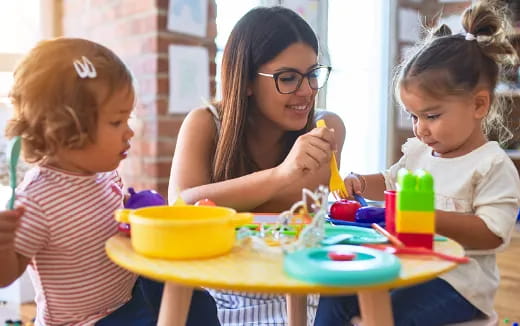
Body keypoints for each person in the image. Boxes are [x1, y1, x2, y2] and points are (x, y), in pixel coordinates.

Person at [315, 2, 520, 325]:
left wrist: (422, 217)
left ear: (479, 104)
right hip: (408, 266)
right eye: (414, 116)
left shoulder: (491, 165)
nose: (420, 128)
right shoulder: (419, 153)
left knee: (386, 314)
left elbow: (493, 234)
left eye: (432, 116)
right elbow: (389, 181)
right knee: (336, 293)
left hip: (458, 284)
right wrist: (358, 182)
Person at [0, 37, 220, 326]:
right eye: (117, 122)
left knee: (198, 304)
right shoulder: (36, 199)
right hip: (84, 322)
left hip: (128, 299)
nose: (129, 132)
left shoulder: (103, 174)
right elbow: (6, 276)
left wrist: (136, 213)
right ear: (65, 129)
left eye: (127, 118)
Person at [168, 6, 345, 325]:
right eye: (288, 78)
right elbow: (181, 207)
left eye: (312, 74)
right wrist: (281, 175)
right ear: (246, 79)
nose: (306, 91)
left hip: (300, 288)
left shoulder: (325, 130)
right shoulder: (206, 124)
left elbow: (309, 222)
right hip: (222, 290)